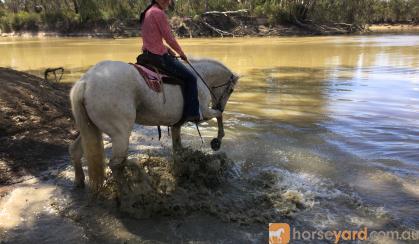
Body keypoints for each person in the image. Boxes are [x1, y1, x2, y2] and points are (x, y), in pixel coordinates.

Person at [139, 0, 201, 122]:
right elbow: (169, 38)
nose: (168, 2)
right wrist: (181, 53)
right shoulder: (158, 13)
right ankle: (192, 114)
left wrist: (167, 49)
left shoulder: (148, 12)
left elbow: (152, 38)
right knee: (191, 78)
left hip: (147, 54)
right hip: (158, 57)